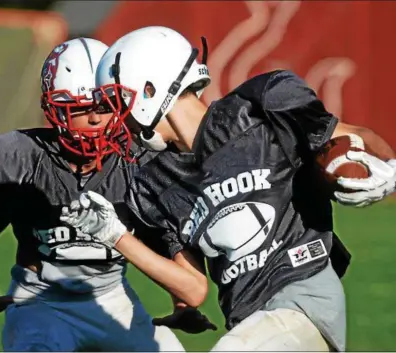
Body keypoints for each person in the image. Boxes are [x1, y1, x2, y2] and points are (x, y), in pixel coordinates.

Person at [60, 27, 396, 352]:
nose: (116, 118)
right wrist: (115, 234)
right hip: (249, 321)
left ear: (150, 90)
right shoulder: (155, 181)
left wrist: (387, 168)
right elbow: (192, 289)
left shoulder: (256, 108)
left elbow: (355, 137)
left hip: (304, 299)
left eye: (119, 101)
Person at [0, 37, 188, 352]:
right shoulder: (18, 161)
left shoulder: (139, 162)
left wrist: (181, 300)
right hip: (41, 302)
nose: (96, 119)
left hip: (113, 298)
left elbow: (163, 238)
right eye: (81, 109)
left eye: (104, 108)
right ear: (53, 109)